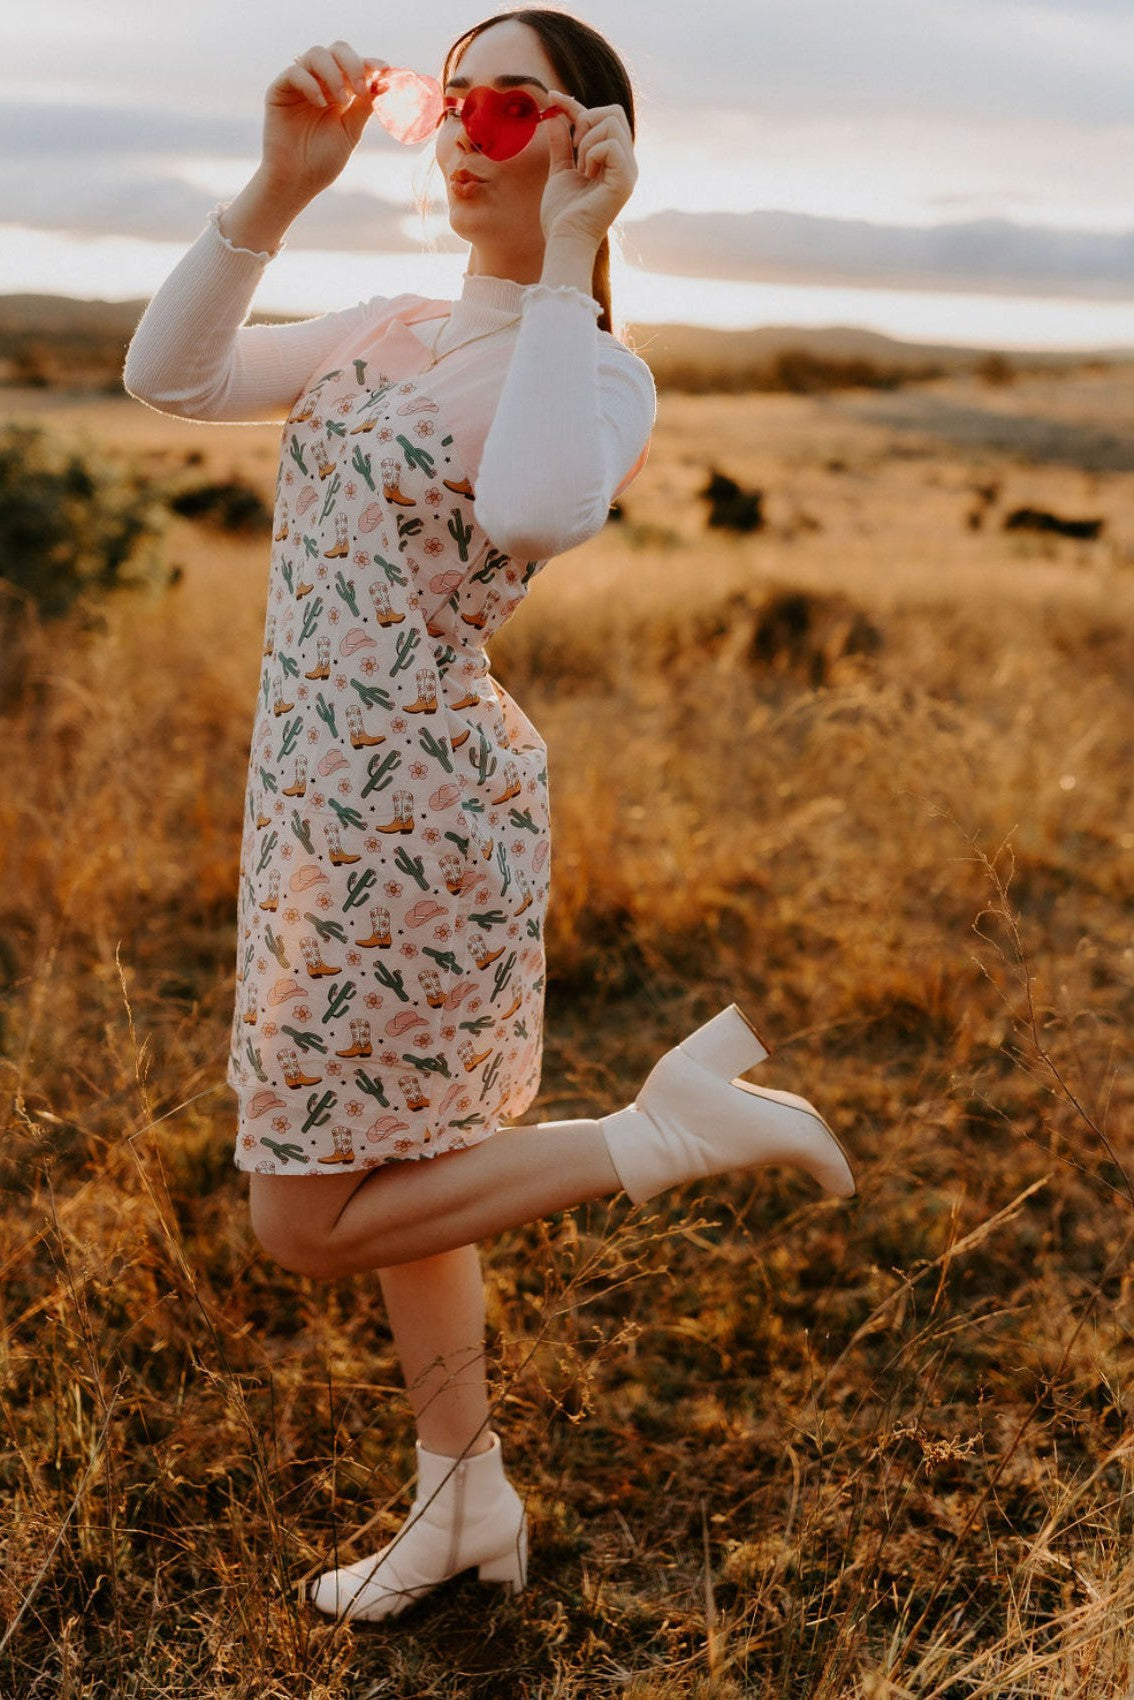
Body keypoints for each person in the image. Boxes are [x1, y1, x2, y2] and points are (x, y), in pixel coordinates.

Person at [124, 8, 856, 1629]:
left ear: (591, 141)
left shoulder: (595, 370)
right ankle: (463, 1500)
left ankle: (660, 1135)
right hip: (311, 807)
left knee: (303, 1222)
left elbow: (531, 508)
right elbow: (167, 376)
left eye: (515, 107)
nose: (470, 129)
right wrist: (274, 185)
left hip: (420, 820)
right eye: (453, 100)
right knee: (405, 1172)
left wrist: (569, 258)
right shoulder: (381, 322)